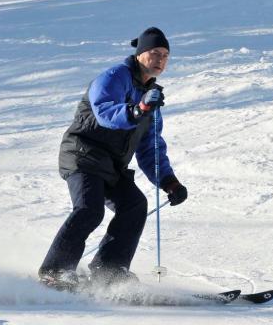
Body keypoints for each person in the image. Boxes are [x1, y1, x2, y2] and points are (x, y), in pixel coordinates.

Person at [38, 27, 187, 291]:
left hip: (111, 166)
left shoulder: (152, 97)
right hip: (82, 154)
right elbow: (106, 111)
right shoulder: (115, 76)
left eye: (165, 55)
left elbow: (151, 148)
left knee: (135, 205)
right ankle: (55, 272)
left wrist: (169, 182)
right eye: (155, 53)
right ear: (140, 54)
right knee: (89, 209)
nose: (161, 60)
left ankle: (109, 272)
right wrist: (138, 108)